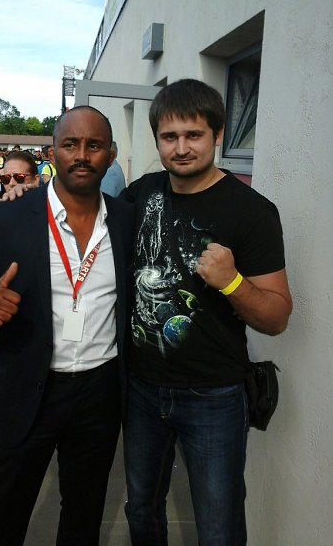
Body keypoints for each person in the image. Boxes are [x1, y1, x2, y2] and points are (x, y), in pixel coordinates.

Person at [0, 106, 134, 546]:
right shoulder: (8, 217)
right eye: (70, 144)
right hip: (29, 390)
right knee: (3, 521)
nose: (81, 155)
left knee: (83, 519)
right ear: (52, 153)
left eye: (94, 145)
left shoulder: (126, 219)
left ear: (110, 156)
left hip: (100, 396)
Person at [119, 78, 293, 546]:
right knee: (141, 511)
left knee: (218, 527)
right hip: (141, 388)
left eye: (193, 135)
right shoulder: (141, 193)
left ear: (217, 135)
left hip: (213, 395)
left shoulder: (252, 211)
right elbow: (84, 219)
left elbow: (277, 317)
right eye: (169, 137)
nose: (181, 148)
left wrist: (232, 281)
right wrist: (26, 199)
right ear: (157, 140)